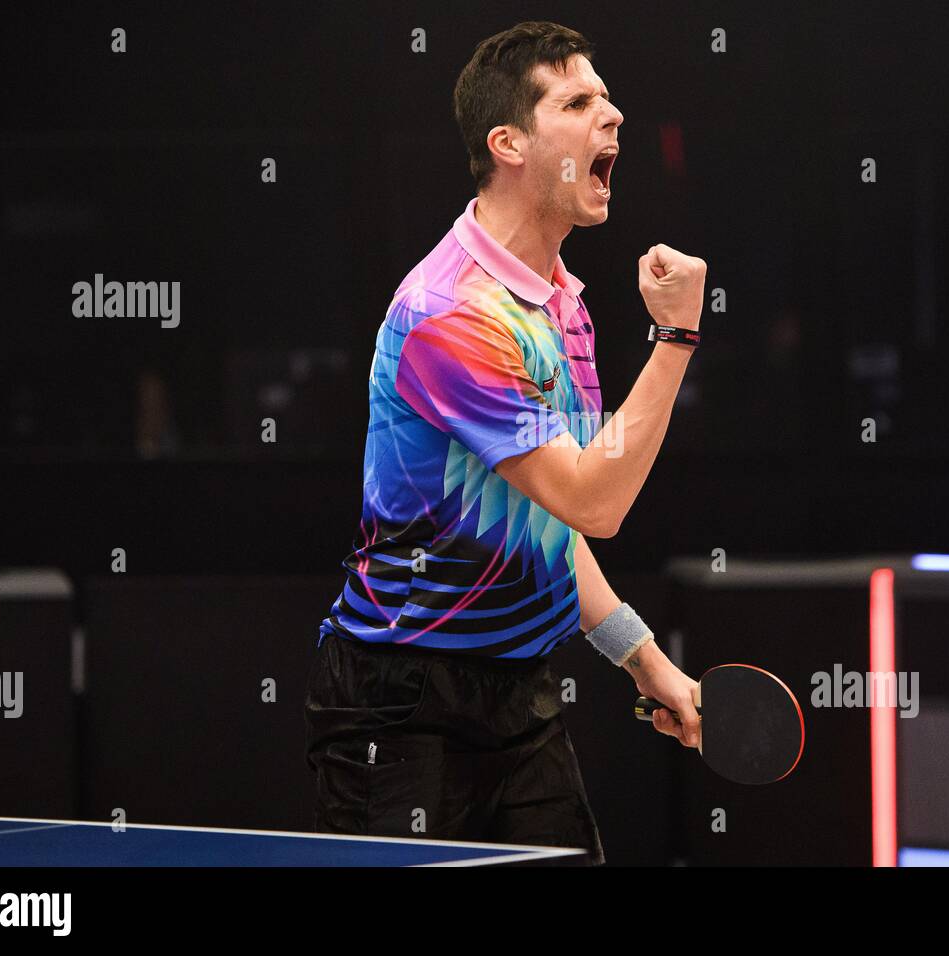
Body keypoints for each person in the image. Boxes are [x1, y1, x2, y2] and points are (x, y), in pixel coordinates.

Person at [305, 20, 707, 866]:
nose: (616, 115)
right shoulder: (454, 316)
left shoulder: (562, 304)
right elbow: (597, 503)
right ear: (509, 144)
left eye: (607, 97)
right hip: (399, 701)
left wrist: (644, 663)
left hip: (517, 695)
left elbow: (553, 518)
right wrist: (675, 340)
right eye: (580, 101)